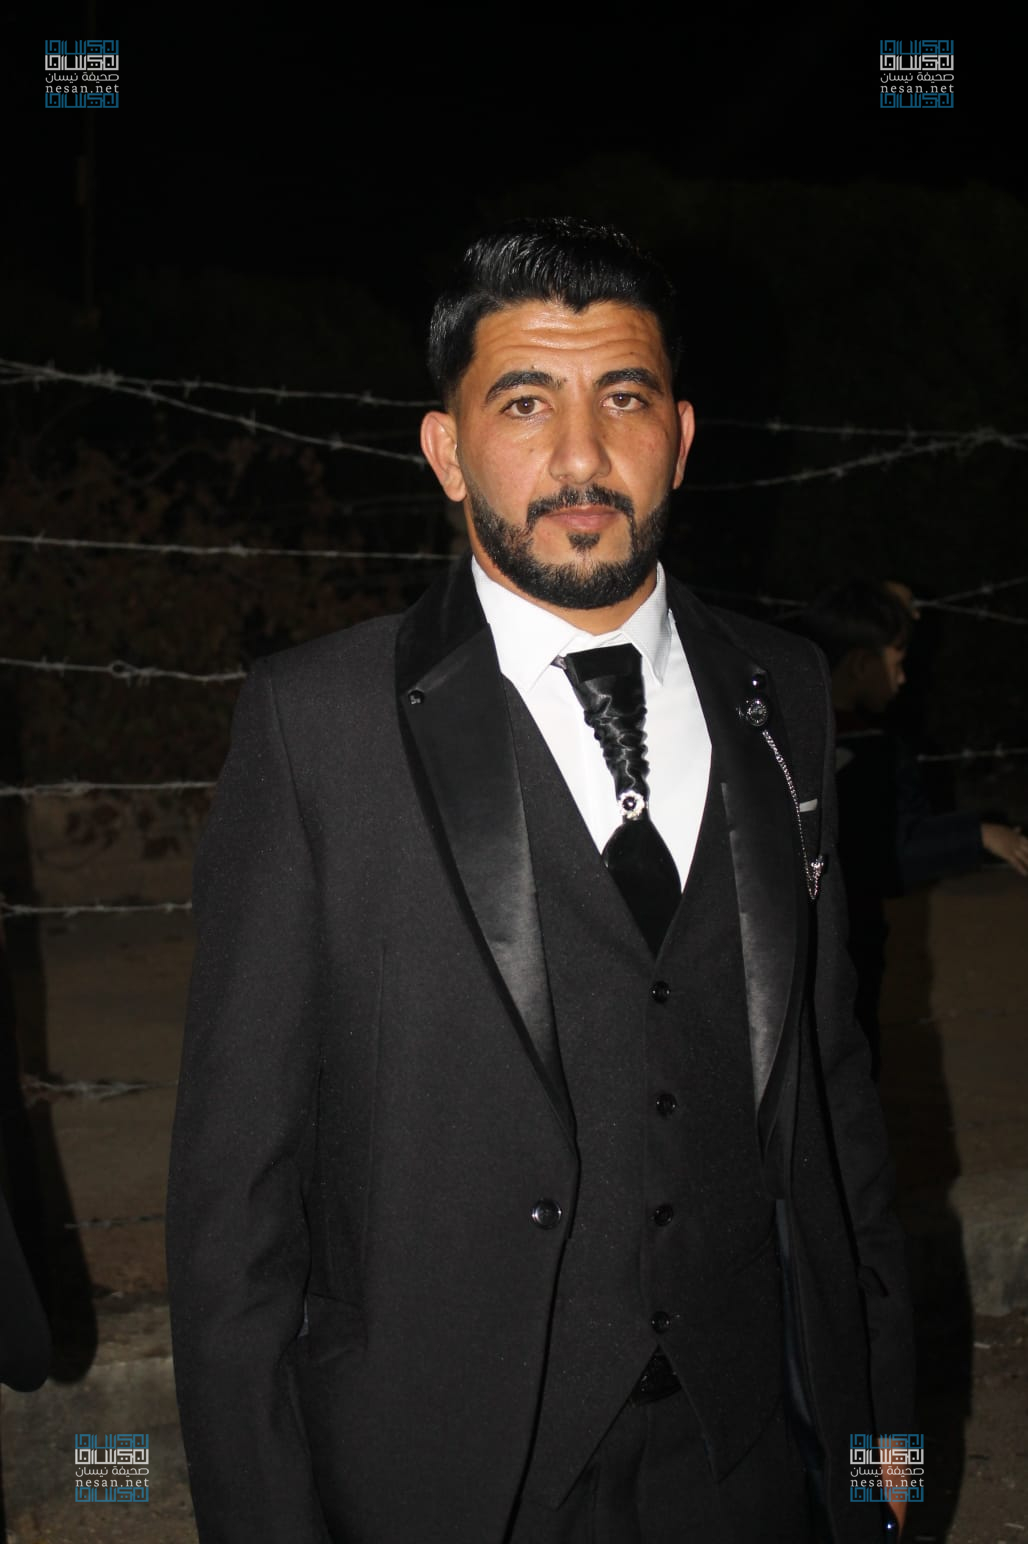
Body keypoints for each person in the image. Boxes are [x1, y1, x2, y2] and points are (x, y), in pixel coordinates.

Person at [167, 219, 914, 1544]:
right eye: (524, 402)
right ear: (446, 451)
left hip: (746, 1457)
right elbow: (235, 1205)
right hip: (443, 1477)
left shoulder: (784, 688)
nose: (580, 456)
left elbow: (833, 1097)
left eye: (622, 398)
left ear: (679, 435)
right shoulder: (315, 722)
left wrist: (882, 1460)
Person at [794, 578, 1028, 1079]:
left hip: (782, 949)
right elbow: (888, 858)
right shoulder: (874, 750)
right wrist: (981, 836)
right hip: (848, 948)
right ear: (862, 665)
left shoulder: (777, 731)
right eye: (898, 662)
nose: (903, 679)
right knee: (851, 1071)